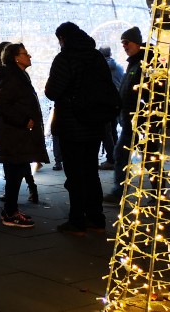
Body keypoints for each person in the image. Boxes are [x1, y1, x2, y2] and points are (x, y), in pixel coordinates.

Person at [45, 22, 119, 235]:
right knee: (90, 172)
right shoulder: (96, 57)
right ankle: (96, 219)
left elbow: (53, 91)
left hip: (71, 124)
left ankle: (77, 221)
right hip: (94, 124)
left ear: (64, 38)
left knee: (75, 175)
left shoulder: (65, 58)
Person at [0, 43, 49, 227]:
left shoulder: (18, 76)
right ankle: (10, 214)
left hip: (16, 135)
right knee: (14, 175)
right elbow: (1, 105)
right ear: (16, 57)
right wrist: (24, 120)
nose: (29, 56)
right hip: (14, 136)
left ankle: (11, 210)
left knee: (15, 174)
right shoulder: (13, 77)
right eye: (25, 54)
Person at [104, 26, 146, 204]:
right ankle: (120, 189)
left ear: (136, 42)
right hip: (130, 119)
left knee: (125, 154)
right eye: (122, 43)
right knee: (126, 154)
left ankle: (119, 190)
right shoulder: (133, 62)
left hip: (142, 119)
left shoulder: (144, 62)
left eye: (126, 42)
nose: (124, 46)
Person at [98, 45, 125, 170]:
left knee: (106, 132)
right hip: (117, 103)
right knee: (113, 131)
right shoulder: (119, 67)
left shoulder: (100, 68)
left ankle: (110, 159)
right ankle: (116, 157)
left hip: (105, 104)